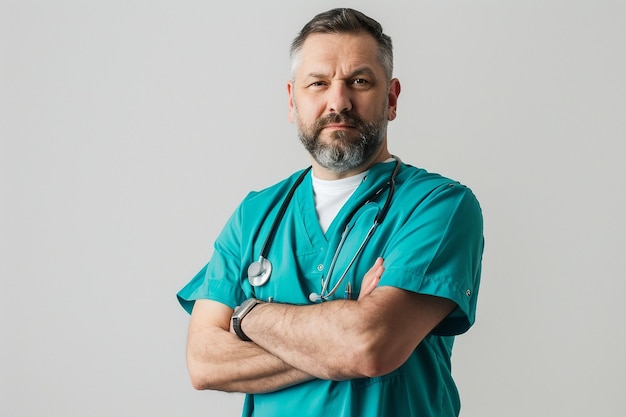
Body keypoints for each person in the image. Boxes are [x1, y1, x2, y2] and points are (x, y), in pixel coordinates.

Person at [177, 7, 484, 417]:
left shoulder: (439, 206)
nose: (338, 102)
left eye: (358, 81)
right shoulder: (256, 214)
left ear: (391, 99)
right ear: (292, 101)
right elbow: (203, 361)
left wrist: (246, 314)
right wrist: (339, 339)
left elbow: (369, 346)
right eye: (318, 83)